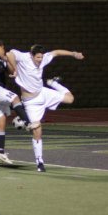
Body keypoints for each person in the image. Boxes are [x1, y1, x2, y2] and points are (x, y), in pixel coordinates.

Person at [6, 44, 85, 172]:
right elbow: (9, 54)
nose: (40, 60)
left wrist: (73, 53)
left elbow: (56, 52)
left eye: (41, 57)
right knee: (37, 131)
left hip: (43, 93)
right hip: (31, 102)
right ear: (31, 55)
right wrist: (15, 70)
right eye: (37, 57)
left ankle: (53, 83)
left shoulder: (43, 58)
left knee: (70, 99)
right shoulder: (24, 57)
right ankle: (39, 161)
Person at [0, 38, 35, 165]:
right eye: (3, 48)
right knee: (15, 97)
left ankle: (0, 151)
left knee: (1, 121)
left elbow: (12, 71)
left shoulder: (0, 59)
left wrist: (7, 59)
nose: (4, 51)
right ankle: (27, 122)